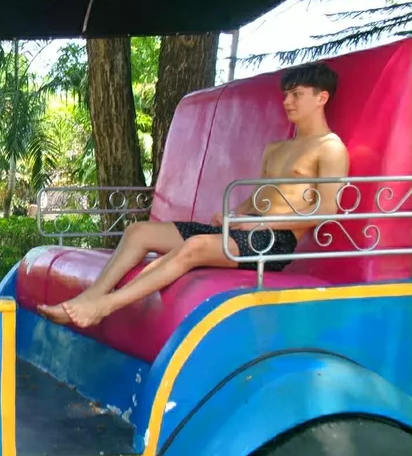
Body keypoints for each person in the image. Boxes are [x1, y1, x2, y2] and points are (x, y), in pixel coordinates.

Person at [37, 62, 349, 329]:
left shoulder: (330, 148)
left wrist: (259, 224)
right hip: (243, 231)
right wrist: (234, 215)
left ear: (321, 98)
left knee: (195, 245)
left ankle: (103, 307)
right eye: (286, 95)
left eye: (296, 95)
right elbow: (260, 196)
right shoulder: (277, 148)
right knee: (138, 232)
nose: (287, 101)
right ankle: (91, 295)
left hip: (274, 242)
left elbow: (325, 210)